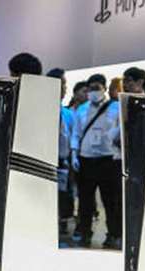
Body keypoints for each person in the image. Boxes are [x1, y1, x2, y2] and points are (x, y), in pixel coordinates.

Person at [70, 74, 121, 249]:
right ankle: (84, 232)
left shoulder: (116, 108)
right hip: (86, 159)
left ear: (104, 88)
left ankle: (113, 234)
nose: (93, 91)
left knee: (110, 200)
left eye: (97, 88)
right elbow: (76, 133)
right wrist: (74, 154)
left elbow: (122, 130)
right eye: (91, 88)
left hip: (108, 159)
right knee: (85, 201)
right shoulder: (82, 110)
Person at [47, 68, 76, 233]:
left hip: (63, 162)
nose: (65, 88)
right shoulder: (42, 111)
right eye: (62, 84)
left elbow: (72, 139)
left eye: (65, 84)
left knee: (63, 195)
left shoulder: (68, 114)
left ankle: (62, 223)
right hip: (45, 161)